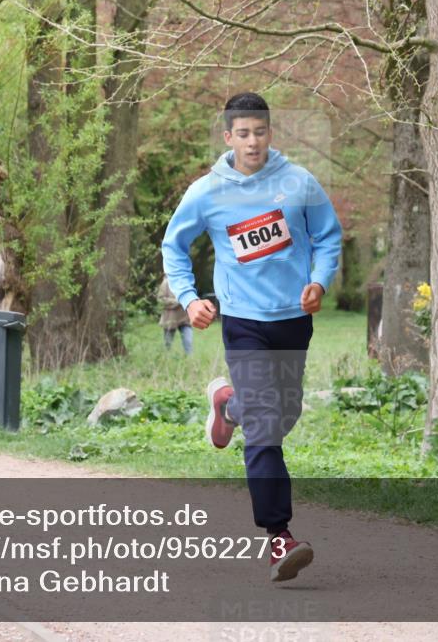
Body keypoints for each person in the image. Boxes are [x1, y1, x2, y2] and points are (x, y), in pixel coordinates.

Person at [161, 93, 342, 582]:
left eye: (259, 132)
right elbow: (174, 245)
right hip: (242, 321)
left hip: (292, 318)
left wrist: (319, 281)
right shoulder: (207, 192)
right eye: (242, 133)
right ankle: (278, 537)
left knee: (282, 413)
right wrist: (189, 297)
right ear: (228, 137)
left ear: (270, 133)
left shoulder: (298, 182)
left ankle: (227, 407)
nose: (252, 141)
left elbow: (328, 236)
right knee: (265, 424)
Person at [157, 274, 193, 355]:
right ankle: (166, 362)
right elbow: (160, 299)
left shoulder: (186, 282)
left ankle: (191, 364)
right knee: (168, 345)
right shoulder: (165, 283)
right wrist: (176, 301)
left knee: (188, 342)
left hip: (185, 318)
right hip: (170, 319)